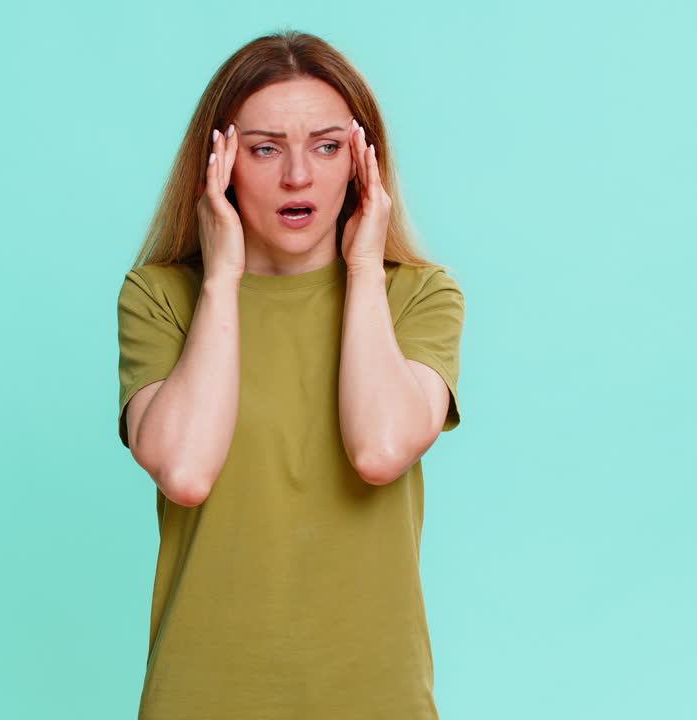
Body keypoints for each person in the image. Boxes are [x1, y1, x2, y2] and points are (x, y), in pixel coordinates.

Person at [116, 29, 464, 720]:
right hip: (201, 698)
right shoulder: (159, 296)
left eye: (327, 146)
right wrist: (222, 278)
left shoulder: (418, 296)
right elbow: (184, 471)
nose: (298, 176)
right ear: (219, 164)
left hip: (376, 700)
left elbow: (380, 451)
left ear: (363, 164)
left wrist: (365, 269)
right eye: (265, 148)